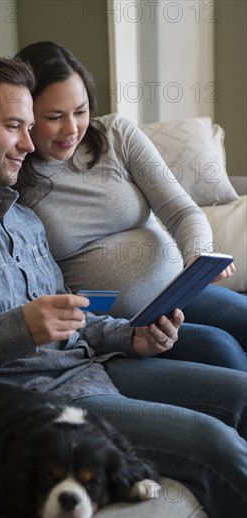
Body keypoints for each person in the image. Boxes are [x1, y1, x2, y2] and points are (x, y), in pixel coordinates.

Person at [0, 52, 246, 518]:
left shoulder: (21, 216)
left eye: (32, 126)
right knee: (214, 445)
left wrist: (131, 336)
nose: (31, 145)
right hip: (33, 404)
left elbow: (71, 317)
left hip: (94, 366)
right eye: (15, 126)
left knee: (240, 393)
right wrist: (16, 329)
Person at [15, 41, 247, 371]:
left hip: (178, 293)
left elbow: (182, 211)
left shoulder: (115, 134)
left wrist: (197, 258)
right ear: (24, 115)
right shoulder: (14, 178)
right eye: (54, 117)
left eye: (80, 111)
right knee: (221, 349)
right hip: (124, 326)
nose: (72, 129)